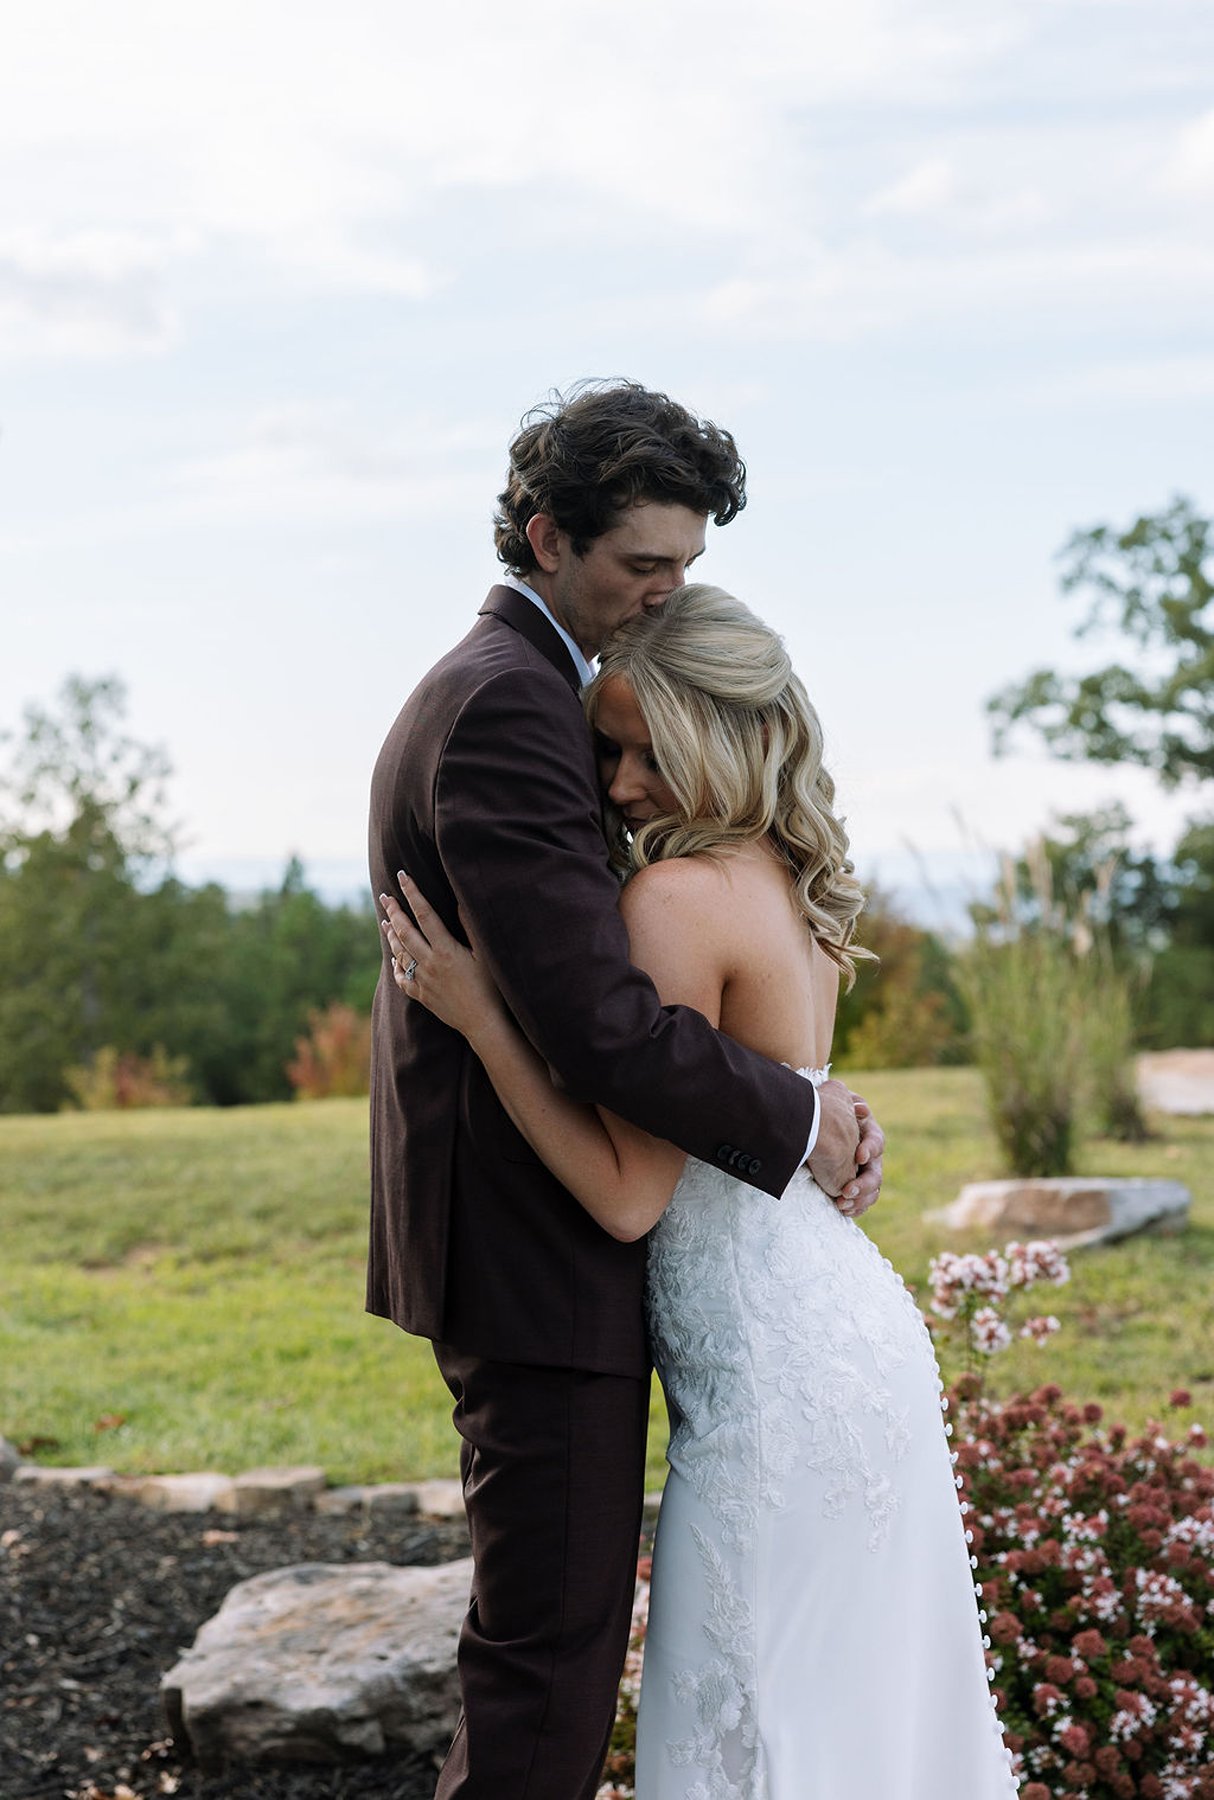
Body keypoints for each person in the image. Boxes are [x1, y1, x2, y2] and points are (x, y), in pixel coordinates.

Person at [381, 585, 1020, 1798]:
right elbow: (781, 1106)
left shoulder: (670, 899)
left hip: (769, 1401)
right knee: (859, 1729)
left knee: (755, 1728)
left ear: (726, 737)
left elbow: (627, 1197)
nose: (615, 785)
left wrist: (478, 1019)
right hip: (851, 1347)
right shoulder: (794, 885)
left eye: (642, 750)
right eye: (606, 747)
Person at [367, 382, 885, 1800]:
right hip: (536, 1248)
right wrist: (795, 1113)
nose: (661, 599)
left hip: (577, 1239)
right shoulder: (507, 706)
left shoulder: (533, 690)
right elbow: (600, 1023)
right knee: (547, 1668)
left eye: (684, 572)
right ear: (544, 535)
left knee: (559, 1648)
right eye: (639, 567)